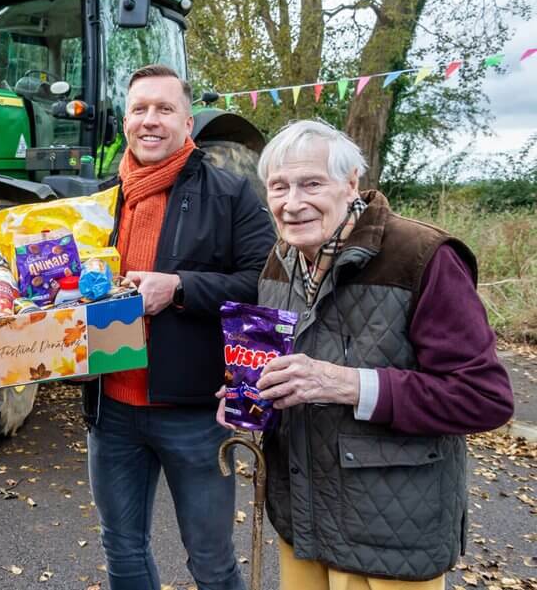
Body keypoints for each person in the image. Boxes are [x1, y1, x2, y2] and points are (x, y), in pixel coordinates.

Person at [218, 119, 514, 589]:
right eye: (278, 186)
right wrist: (252, 397)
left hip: (388, 536)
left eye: (311, 183)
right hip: (302, 522)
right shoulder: (281, 258)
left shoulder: (422, 256)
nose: (292, 204)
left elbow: (484, 398)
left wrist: (346, 384)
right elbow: (280, 368)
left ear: (351, 182)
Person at [82, 64, 276, 590]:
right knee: (122, 552)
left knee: (211, 562)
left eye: (164, 109)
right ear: (125, 120)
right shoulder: (99, 202)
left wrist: (181, 288)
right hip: (113, 410)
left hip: (194, 414)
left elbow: (265, 286)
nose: (151, 120)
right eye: (140, 109)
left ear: (188, 123)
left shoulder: (231, 194)